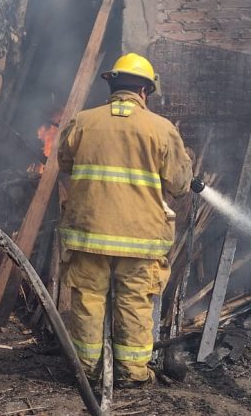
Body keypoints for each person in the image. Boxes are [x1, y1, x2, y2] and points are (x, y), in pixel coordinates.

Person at [57, 53, 193, 387]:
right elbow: (179, 184)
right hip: (140, 240)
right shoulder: (161, 129)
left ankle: (87, 372)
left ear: (113, 85)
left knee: (87, 302)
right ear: (145, 90)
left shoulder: (82, 122)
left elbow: (65, 164)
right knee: (134, 304)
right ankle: (132, 373)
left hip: (88, 234)